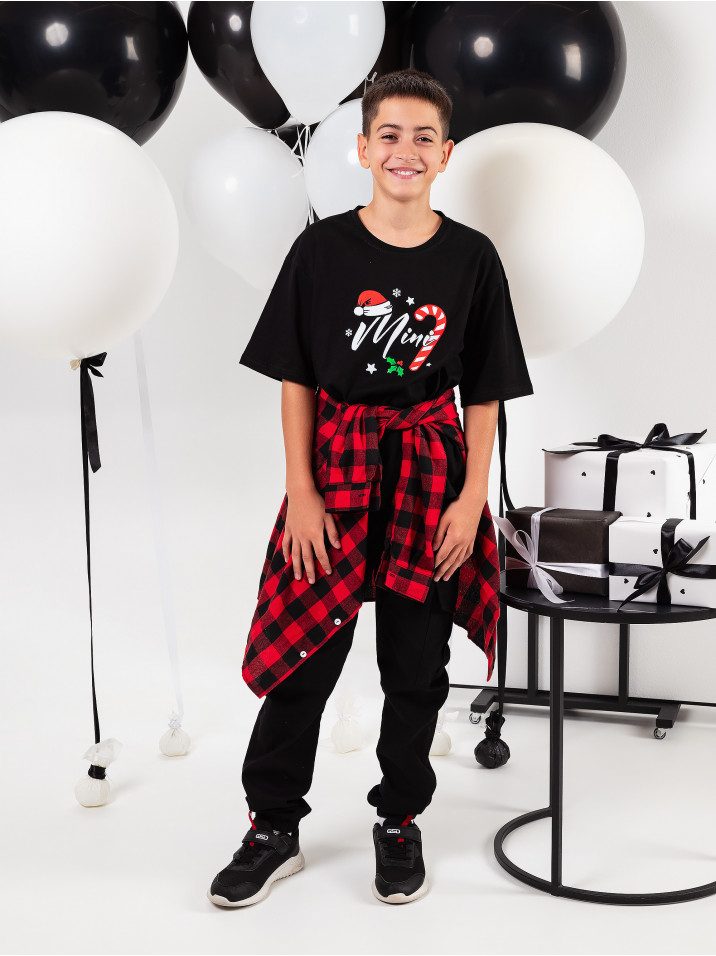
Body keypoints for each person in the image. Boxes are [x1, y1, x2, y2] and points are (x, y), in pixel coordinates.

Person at [208, 68, 533, 909]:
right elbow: (296, 379)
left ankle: (399, 818)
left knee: (415, 667)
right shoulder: (321, 251)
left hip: (431, 475)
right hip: (336, 470)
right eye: (390, 134)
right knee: (303, 658)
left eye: (425, 137)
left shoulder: (472, 258)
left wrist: (472, 498)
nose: (405, 150)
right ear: (361, 149)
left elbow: (485, 392)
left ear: (446, 155)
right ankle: (272, 827)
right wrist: (302, 492)